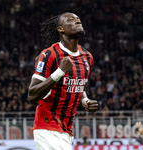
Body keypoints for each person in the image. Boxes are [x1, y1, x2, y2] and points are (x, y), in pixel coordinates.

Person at [28, 12, 98, 150]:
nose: (77, 21)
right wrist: (60, 72)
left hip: (67, 129)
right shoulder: (49, 54)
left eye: (78, 19)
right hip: (47, 126)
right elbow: (32, 95)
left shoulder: (87, 57)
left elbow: (80, 85)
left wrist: (85, 101)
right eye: (71, 20)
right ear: (60, 29)